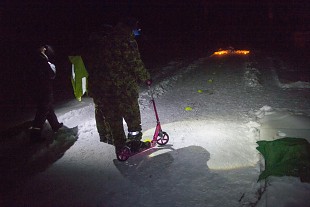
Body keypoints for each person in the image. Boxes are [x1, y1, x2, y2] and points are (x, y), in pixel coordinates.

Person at [84, 17, 152, 155]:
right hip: (123, 87)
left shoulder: (95, 42)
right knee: (132, 115)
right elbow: (134, 61)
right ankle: (134, 144)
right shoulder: (124, 38)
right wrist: (145, 77)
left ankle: (121, 147)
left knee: (113, 118)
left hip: (102, 87)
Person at [29, 44, 63, 142]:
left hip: (39, 89)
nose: (45, 48)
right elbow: (51, 74)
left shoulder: (35, 58)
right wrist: (51, 67)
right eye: (43, 47)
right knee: (42, 111)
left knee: (48, 107)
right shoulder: (40, 59)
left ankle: (55, 125)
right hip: (43, 89)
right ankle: (34, 136)